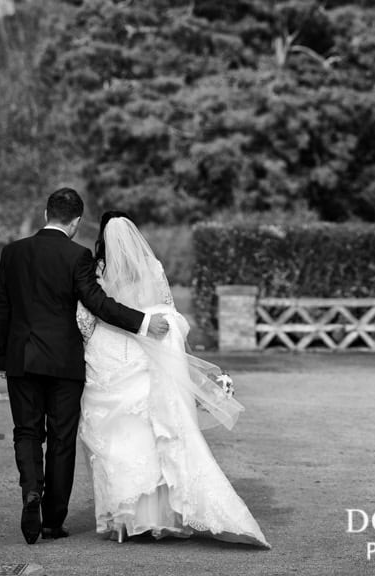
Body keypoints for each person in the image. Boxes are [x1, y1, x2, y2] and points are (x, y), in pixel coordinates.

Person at [77, 211, 269, 547]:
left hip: (113, 355)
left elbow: (89, 316)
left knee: (123, 439)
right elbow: (170, 313)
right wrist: (182, 356)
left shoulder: (98, 271)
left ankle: (130, 521)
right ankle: (161, 517)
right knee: (155, 436)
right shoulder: (153, 268)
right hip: (151, 351)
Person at [0, 188, 170, 545]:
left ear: (46, 214)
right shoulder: (78, 256)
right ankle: (52, 521)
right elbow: (97, 303)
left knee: (26, 432)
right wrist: (143, 322)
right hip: (64, 362)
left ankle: (31, 491)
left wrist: (2, 360)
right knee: (61, 440)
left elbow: (1, 308)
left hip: (22, 360)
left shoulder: (12, 252)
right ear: (75, 223)